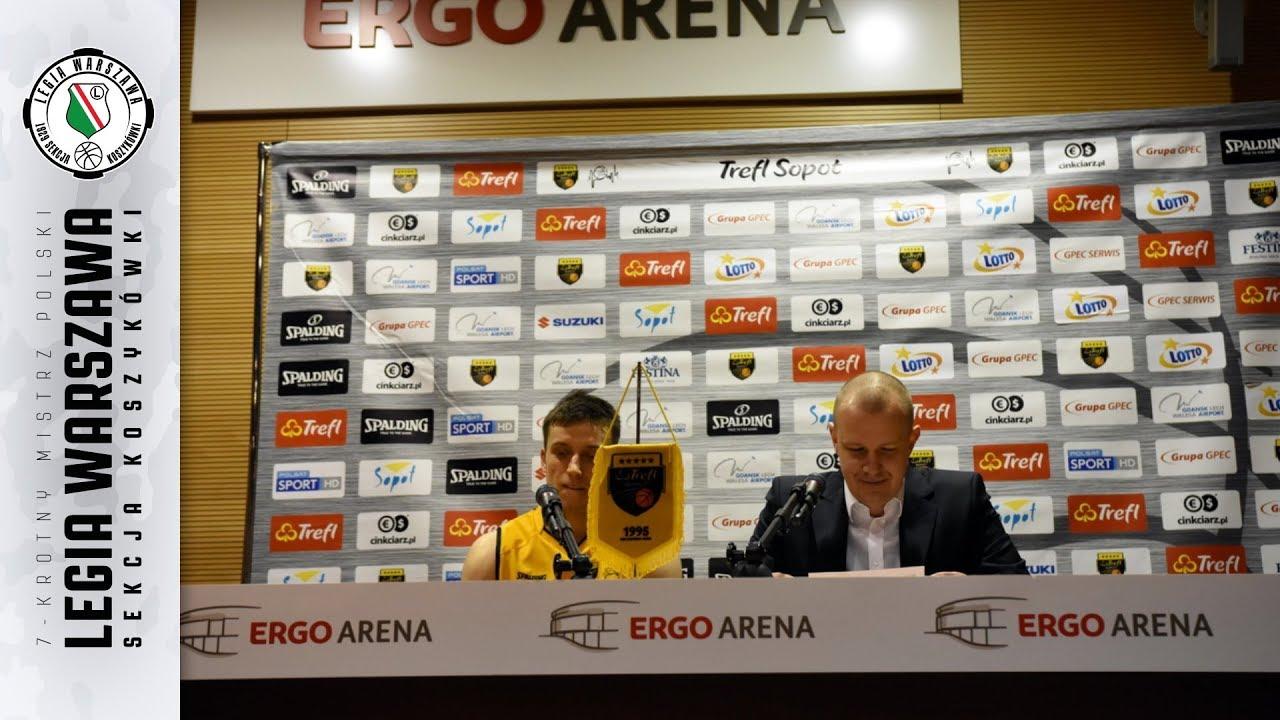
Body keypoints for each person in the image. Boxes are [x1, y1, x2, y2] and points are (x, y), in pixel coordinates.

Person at [750, 371, 1027, 576]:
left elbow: (1019, 592)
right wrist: (772, 595)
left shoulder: (962, 498)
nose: (872, 466)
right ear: (834, 439)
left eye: (887, 450)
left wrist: (971, 590)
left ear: (911, 441)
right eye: (857, 450)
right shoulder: (790, 501)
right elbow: (742, 589)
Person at [462, 389, 682, 580]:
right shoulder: (493, 553)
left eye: (591, 456)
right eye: (561, 453)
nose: (574, 468)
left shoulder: (649, 557)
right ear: (543, 459)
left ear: (613, 462)